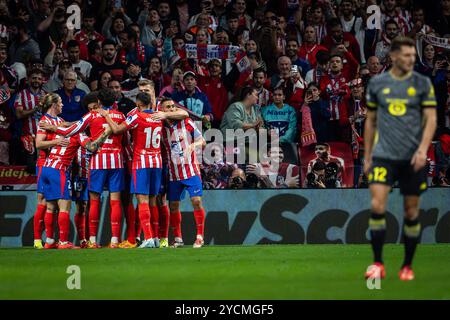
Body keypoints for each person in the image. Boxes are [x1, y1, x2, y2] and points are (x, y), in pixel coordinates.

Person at [364, 37, 437, 281]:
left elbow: (431, 119)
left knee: (411, 212)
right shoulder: (377, 84)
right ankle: (377, 263)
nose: (410, 60)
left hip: (412, 158)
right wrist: (367, 156)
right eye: (406, 56)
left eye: (413, 57)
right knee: (377, 205)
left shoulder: (422, 83)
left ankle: (407, 265)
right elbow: (370, 121)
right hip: (384, 155)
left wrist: (422, 150)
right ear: (393, 57)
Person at [40, 88, 127, 249]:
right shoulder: (121, 116)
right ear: (114, 101)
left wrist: (53, 128)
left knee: (94, 201)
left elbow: (68, 131)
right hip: (117, 161)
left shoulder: (92, 115)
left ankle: (92, 240)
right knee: (115, 201)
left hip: (98, 161)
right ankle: (115, 240)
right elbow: (126, 140)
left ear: (99, 102)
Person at [101, 93, 188, 248]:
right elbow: (184, 114)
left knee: (142, 200)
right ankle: (154, 237)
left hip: (141, 162)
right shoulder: (158, 116)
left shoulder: (137, 116)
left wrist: (107, 116)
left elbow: (117, 130)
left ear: (139, 104)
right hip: (157, 162)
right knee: (154, 200)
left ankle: (147, 237)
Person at [160, 97, 207, 248]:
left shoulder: (186, 122)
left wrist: (194, 144)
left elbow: (203, 140)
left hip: (191, 169)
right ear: (162, 110)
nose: (172, 108)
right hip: (173, 173)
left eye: (173, 106)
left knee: (196, 201)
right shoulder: (160, 128)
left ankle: (199, 236)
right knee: (173, 205)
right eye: (168, 107)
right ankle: (178, 239)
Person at [33, 93, 68, 249]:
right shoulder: (43, 121)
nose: (62, 105)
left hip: (56, 165)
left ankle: (50, 239)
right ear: (53, 104)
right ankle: (36, 240)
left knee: (52, 204)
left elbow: (71, 125)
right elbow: (39, 144)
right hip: (43, 164)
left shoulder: (59, 121)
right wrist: (57, 141)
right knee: (43, 201)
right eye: (60, 102)